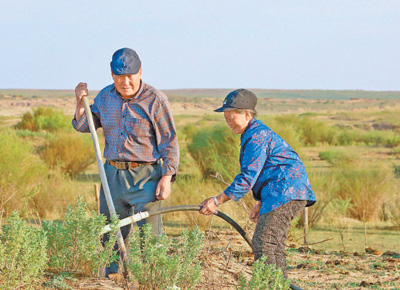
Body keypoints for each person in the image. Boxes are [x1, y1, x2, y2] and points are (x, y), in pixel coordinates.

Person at [72, 47, 179, 276]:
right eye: (120, 76)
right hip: (112, 175)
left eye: (130, 75)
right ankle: (111, 278)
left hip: (146, 176)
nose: (126, 81)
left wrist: (167, 177)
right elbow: (83, 126)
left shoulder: (156, 99)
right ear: (112, 75)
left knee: (149, 236)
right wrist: (80, 102)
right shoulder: (105, 96)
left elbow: (169, 140)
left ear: (140, 72)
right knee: (110, 232)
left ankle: (152, 279)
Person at [199, 89, 316, 280]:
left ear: (247, 114)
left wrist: (216, 201)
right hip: (282, 193)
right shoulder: (253, 133)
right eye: (225, 117)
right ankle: (277, 285)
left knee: (265, 243)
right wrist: (261, 203)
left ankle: (271, 285)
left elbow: (247, 178)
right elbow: (269, 170)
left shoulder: (256, 136)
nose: (228, 122)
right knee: (270, 244)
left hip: (286, 192)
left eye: (231, 116)